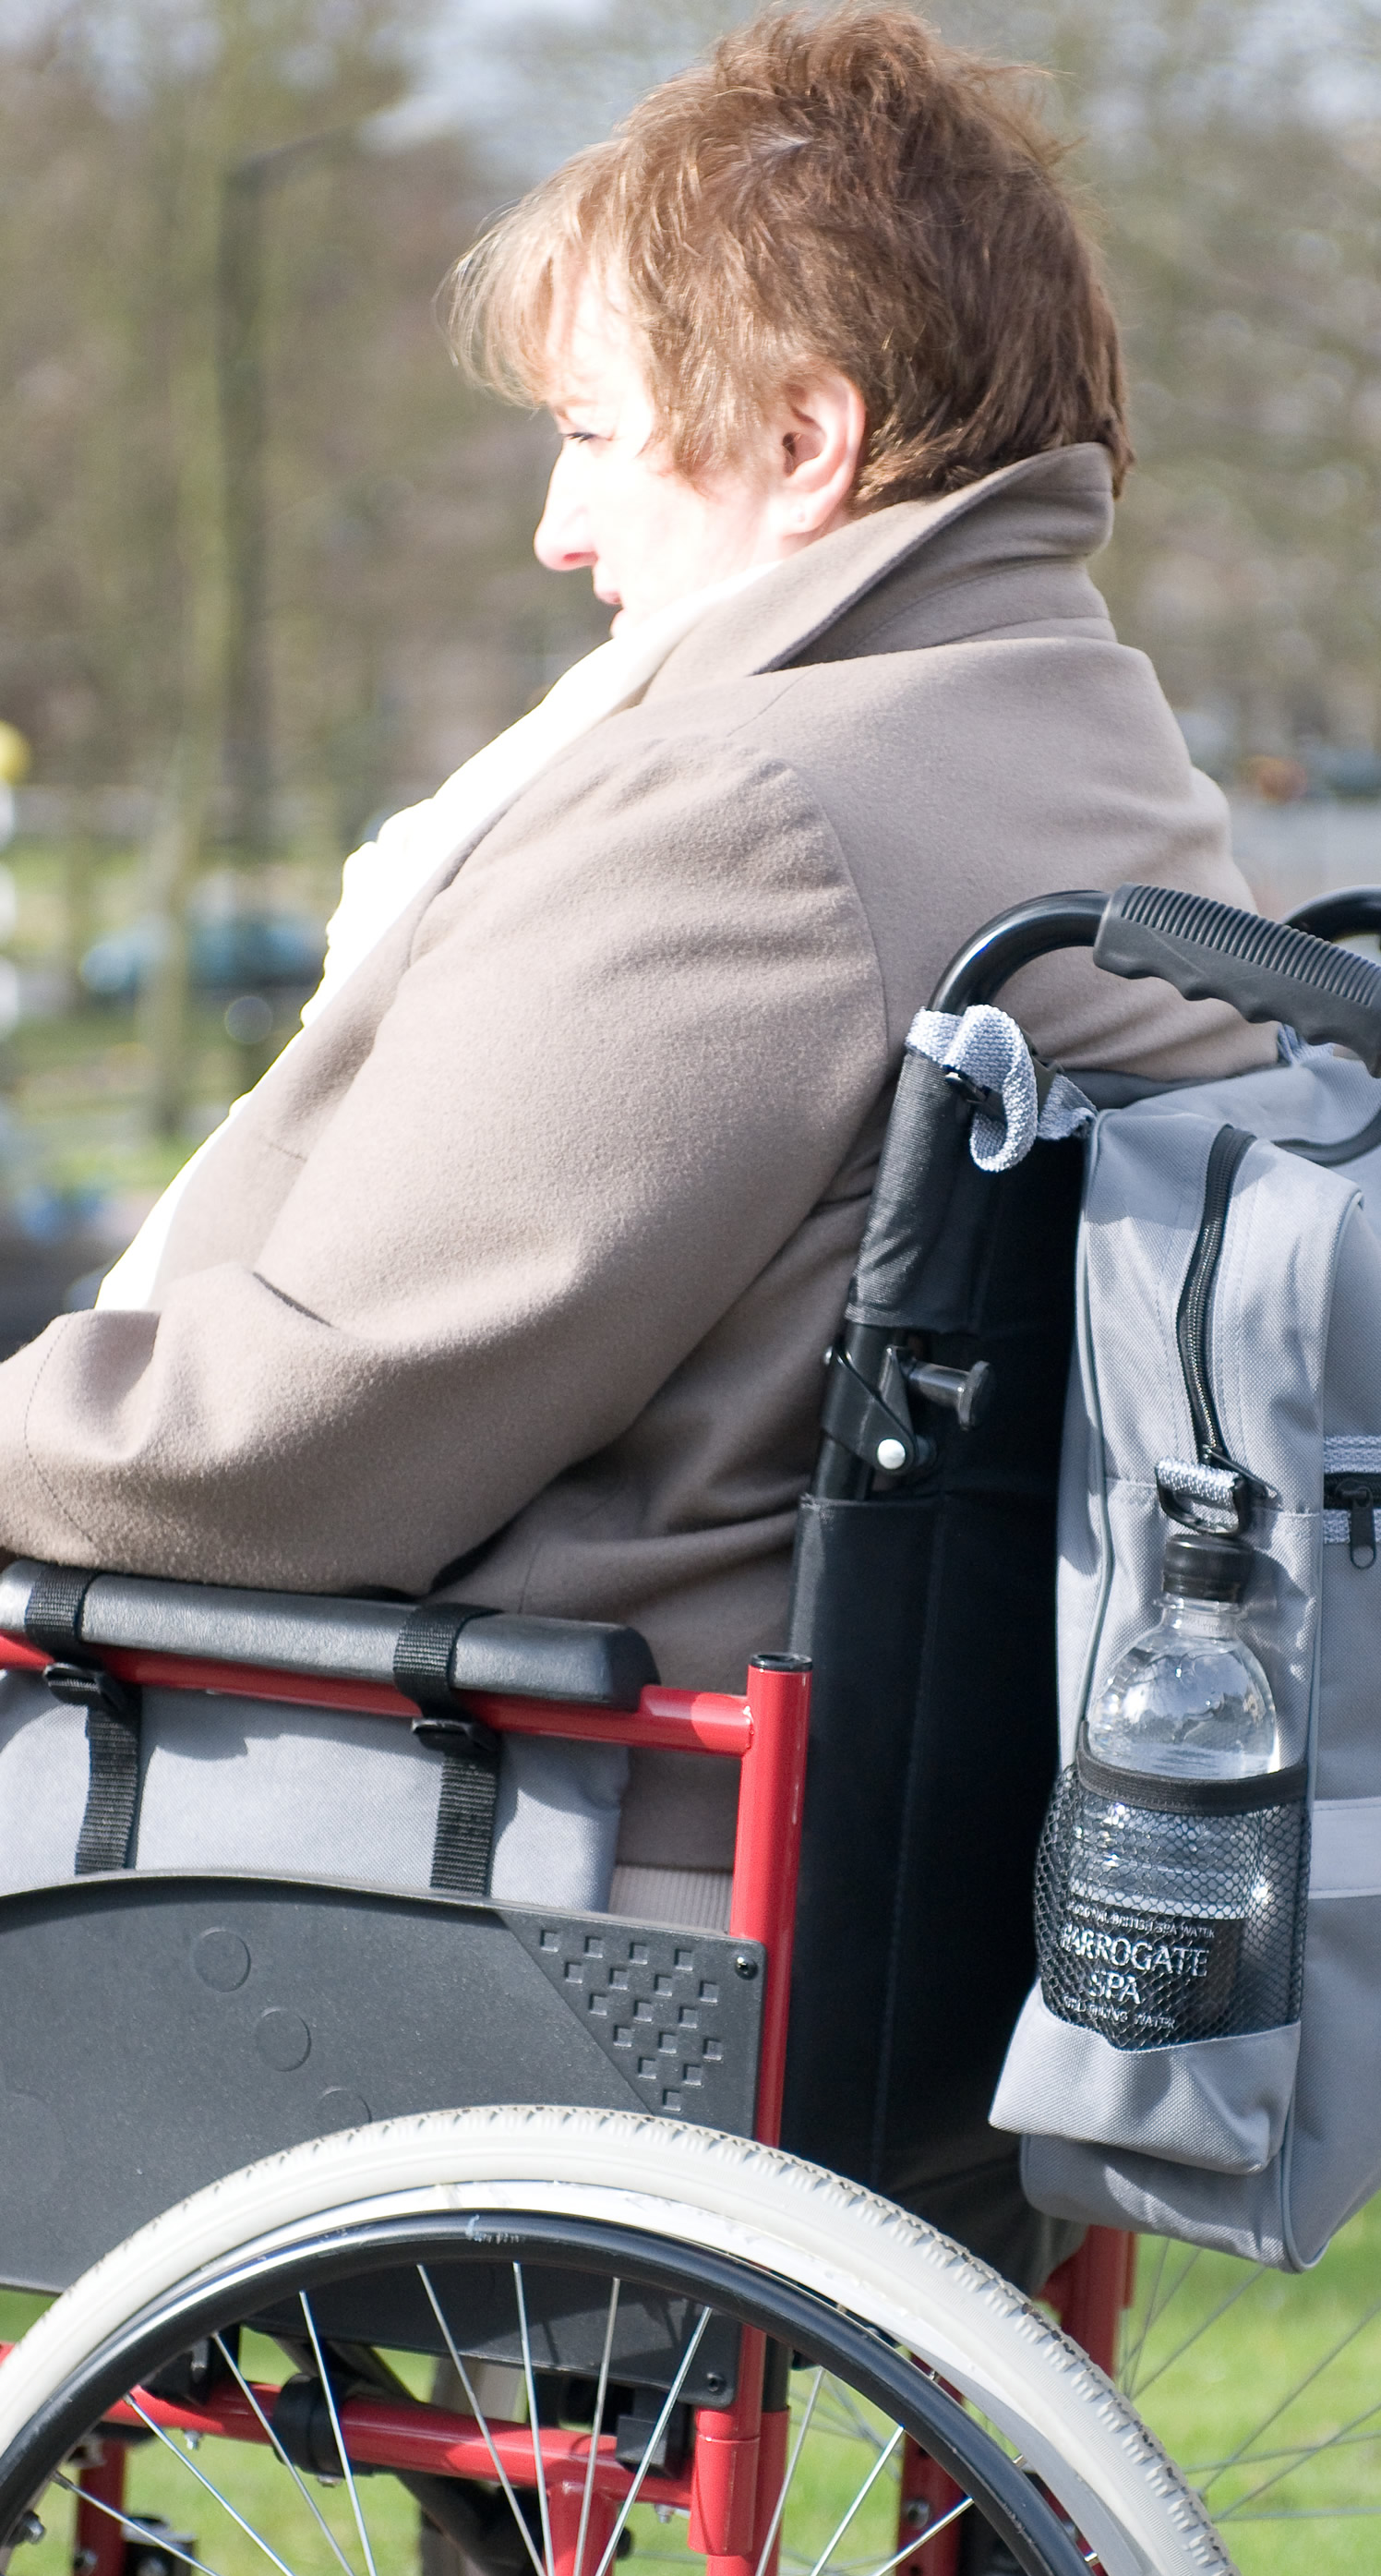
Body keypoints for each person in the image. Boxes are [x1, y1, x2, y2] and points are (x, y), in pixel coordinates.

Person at [0, 6, 1273, 1913]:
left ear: (798, 437)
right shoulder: (1089, 751)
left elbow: (297, 1436)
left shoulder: (750, 815)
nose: (554, 526)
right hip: (889, 1856)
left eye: (592, 434)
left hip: (525, 1838)